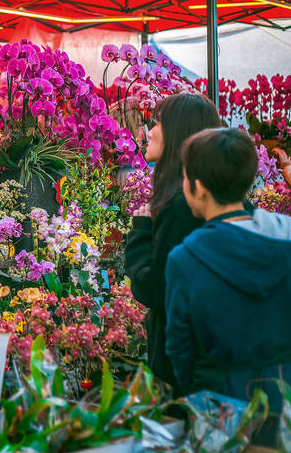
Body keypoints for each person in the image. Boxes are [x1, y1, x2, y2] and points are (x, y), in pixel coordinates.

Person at [165, 128, 291, 446]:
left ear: (199, 187)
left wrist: (198, 393)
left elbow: (180, 349)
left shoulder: (186, 258)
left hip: (220, 408)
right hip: (285, 396)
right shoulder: (286, 235)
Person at [125, 93, 222, 388]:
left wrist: (140, 232)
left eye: (157, 123)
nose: (149, 131)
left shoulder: (185, 206)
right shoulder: (203, 198)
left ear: (179, 133)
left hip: (184, 368)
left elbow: (156, 289)